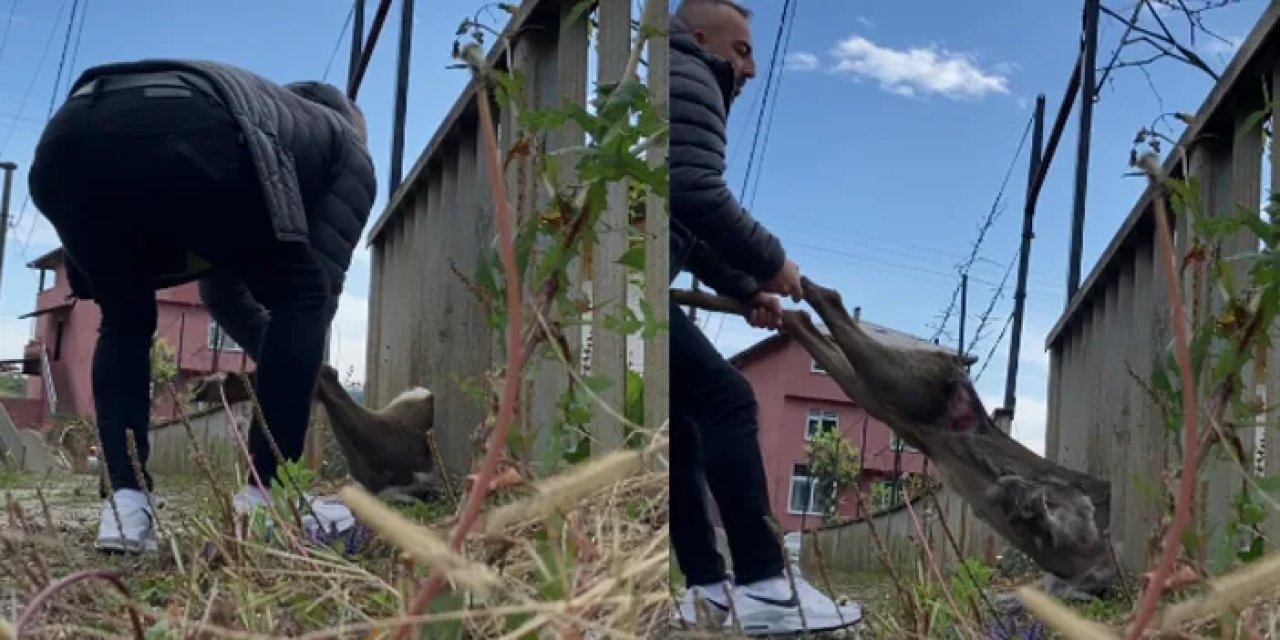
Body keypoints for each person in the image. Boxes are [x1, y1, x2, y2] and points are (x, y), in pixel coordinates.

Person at [27, 60, 376, 554]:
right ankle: (267, 500)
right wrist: (297, 367)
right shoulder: (347, 146)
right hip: (190, 132)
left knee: (125, 319)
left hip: (67, 142)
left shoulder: (269, 120)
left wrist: (281, 358)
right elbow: (313, 298)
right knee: (303, 295)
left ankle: (126, 509)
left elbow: (222, 292)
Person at [669, 0, 862, 634]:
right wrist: (774, 261)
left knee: (685, 430)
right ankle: (765, 584)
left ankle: (707, 591)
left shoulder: (672, 75)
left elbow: (679, 221)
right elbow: (696, 192)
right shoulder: (690, 73)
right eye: (742, 51)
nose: (750, 69)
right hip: (620, 286)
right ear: (702, 38)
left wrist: (748, 287)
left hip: (612, 278)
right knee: (727, 400)